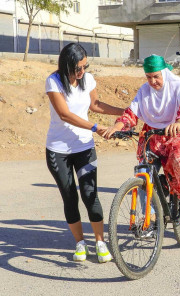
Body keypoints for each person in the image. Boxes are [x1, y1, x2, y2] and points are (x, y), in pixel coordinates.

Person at [45, 43, 124, 263]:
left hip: (84, 148)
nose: (82, 72)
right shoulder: (53, 81)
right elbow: (64, 114)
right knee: (70, 197)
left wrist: (125, 112)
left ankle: (100, 242)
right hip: (58, 150)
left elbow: (96, 105)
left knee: (90, 194)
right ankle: (80, 243)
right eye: (77, 68)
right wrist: (95, 128)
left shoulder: (87, 79)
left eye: (85, 66)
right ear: (66, 65)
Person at [104, 54, 180, 207]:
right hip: (154, 136)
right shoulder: (144, 90)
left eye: (156, 76)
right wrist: (117, 127)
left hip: (179, 132)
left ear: (164, 72)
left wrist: (179, 121)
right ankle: (149, 222)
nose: (152, 81)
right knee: (144, 176)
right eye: (148, 77)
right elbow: (132, 112)